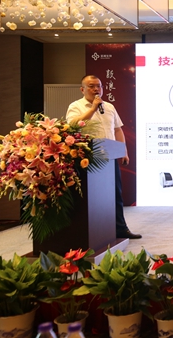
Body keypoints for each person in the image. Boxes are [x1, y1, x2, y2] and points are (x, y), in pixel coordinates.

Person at [66, 75, 142, 239]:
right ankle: (95, 232)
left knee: (115, 193)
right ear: (82, 89)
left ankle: (120, 228)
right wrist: (92, 109)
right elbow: (72, 126)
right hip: (88, 158)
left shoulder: (109, 106)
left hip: (110, 156)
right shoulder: (76, 106)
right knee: (93, 196)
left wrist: (123, 151)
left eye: (99, 86)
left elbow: (118, 130)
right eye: (91, 86)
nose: (96, 89)